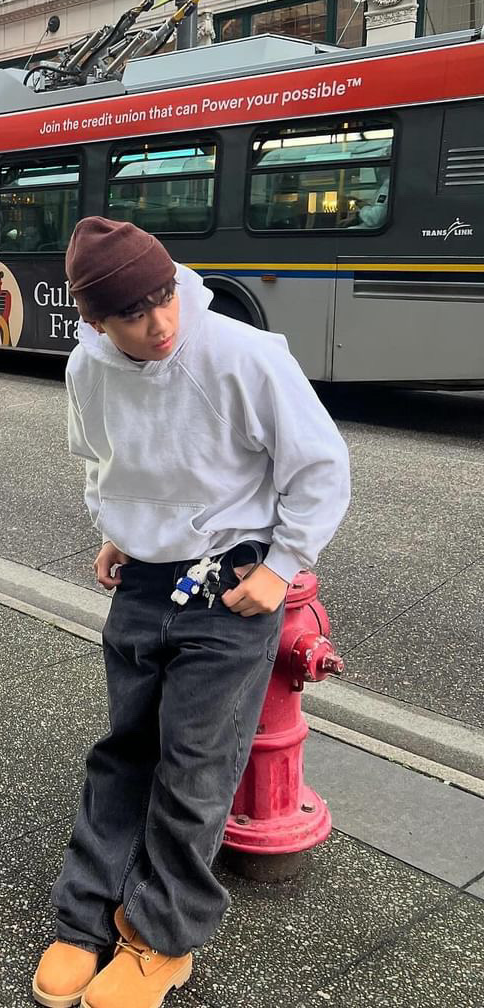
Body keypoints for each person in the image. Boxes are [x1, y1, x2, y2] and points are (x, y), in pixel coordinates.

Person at [32, 218, 350, 1008]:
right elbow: (102, 459)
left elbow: (321, 465)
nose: (161, 321)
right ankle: (86, 918)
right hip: (145, 582)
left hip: (231, 587)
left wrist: (281, 570)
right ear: (96, 321)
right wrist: (114, 530)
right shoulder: (88, 369)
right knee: (124, 749)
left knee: (196, 765)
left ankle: (161, 937)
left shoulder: (239, 354)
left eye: (165, 294)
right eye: (134, 313)